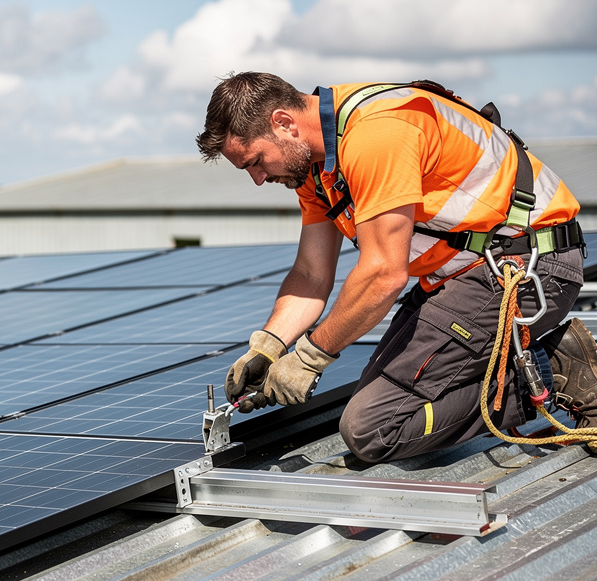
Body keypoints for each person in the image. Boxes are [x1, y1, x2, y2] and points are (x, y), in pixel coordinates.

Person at [196, 72, 590, 463]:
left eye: (256, 161)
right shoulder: (317, 168)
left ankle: (552, 368)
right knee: (382, 407)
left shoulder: (375, 134)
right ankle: (521, 365)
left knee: (373, 429)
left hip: (528, 267)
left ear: (284, 123)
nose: (258, 179)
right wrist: (269, 345)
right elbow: (311, 274)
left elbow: (384, 274)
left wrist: (309, 358)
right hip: (464, 276)